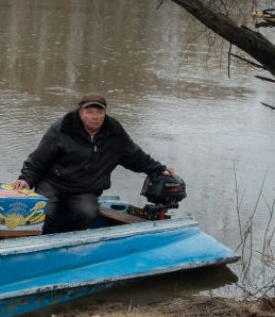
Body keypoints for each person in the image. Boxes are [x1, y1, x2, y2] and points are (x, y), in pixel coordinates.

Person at [11, 92, 175, 232]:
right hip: (53, 184)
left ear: (105, 113)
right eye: (89, 111)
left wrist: (158, 169)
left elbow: (134, 156)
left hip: (85, 189)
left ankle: (65, 239)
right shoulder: (61, 129)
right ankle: (38, 241)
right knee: (42, 212)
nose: (94, 116)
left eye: (99, 112)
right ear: (81, 112)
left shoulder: (114, 132)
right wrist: (25, 179)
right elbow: (38, 159)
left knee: (87, 214)